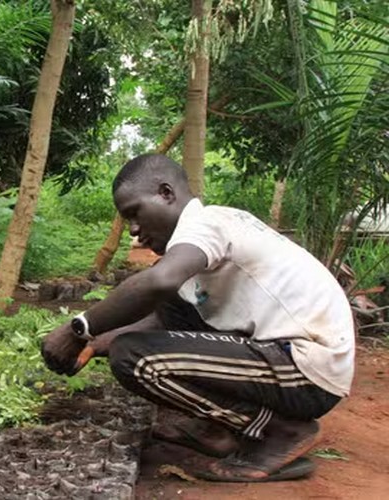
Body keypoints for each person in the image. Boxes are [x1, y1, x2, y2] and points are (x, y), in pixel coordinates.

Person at [42, 154, 354, 482]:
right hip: (290, 362)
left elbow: (156, 282)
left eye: (135, 213)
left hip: (306, 367)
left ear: (166, 193)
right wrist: (92, 345)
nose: (134, 231)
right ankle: (224, 430)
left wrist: (79, 328)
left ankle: (282, 432)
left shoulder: (206, 224)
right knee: (168, 309)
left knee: (134, 358)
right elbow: (165, 320)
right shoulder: (200, 246)